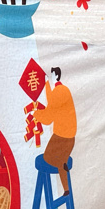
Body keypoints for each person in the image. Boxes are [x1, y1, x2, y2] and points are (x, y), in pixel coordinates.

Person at [34, 67, 77, 195]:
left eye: (52, 75)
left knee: (48, 157)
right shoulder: (64, 90)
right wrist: (47, 84)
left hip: (61, 137)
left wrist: (36, 114)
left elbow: (48, 117)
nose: (51, 77)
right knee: (60, 160)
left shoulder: (59, 92)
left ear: (55, 76)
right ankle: (66, 189)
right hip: (71, 138)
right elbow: (52, 101)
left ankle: (62, 164)